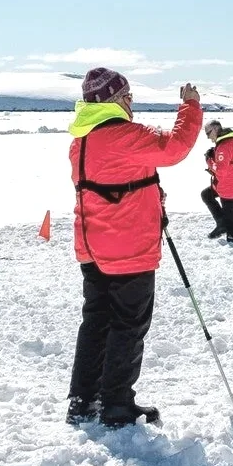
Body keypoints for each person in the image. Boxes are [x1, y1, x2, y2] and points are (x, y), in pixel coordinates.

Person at [66, 69, 203, 428]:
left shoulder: (81, 140)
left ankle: (83, 400)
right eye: (127, 98)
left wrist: (145, 191)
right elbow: (175, 148)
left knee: (96, 322)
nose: (131, 104)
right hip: (126, 250)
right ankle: (116, 405)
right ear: (113, 100)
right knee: (128, 325)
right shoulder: (123, 135)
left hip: (93, 247)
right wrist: (189, 106)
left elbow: (112, 183)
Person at [201, 121, 233, 245]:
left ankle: (232, 243)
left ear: (216, 129)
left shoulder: (224, 146)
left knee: (230, 218)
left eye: (208, 133)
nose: (208, 137)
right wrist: (215, 153)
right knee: (206, 195)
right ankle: (221, 223)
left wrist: (209, 160)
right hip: (230, 181)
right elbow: (228, 158)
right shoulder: (232, 140)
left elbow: (220, 170)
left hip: (227, 185)